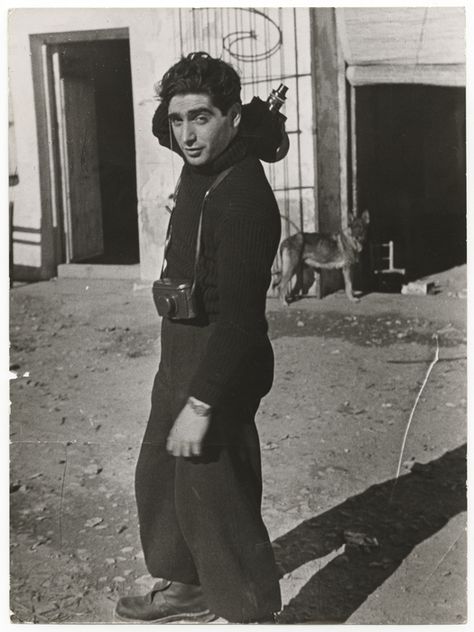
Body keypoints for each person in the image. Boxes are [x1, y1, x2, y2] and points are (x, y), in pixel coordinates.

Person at [115, 51, 289, 624]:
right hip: (180, 347)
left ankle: (253, 615)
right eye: (178, 118)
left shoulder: (244, 200)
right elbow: (166, 120)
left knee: (220, 501)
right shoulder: (204, 152)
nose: (186, 134)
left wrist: (202, 402)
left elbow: (242, 324)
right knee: (161, 480)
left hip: (222, 358)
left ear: (233, 118)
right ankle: (188, 588)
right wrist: (200, 99)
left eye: (203, 117)